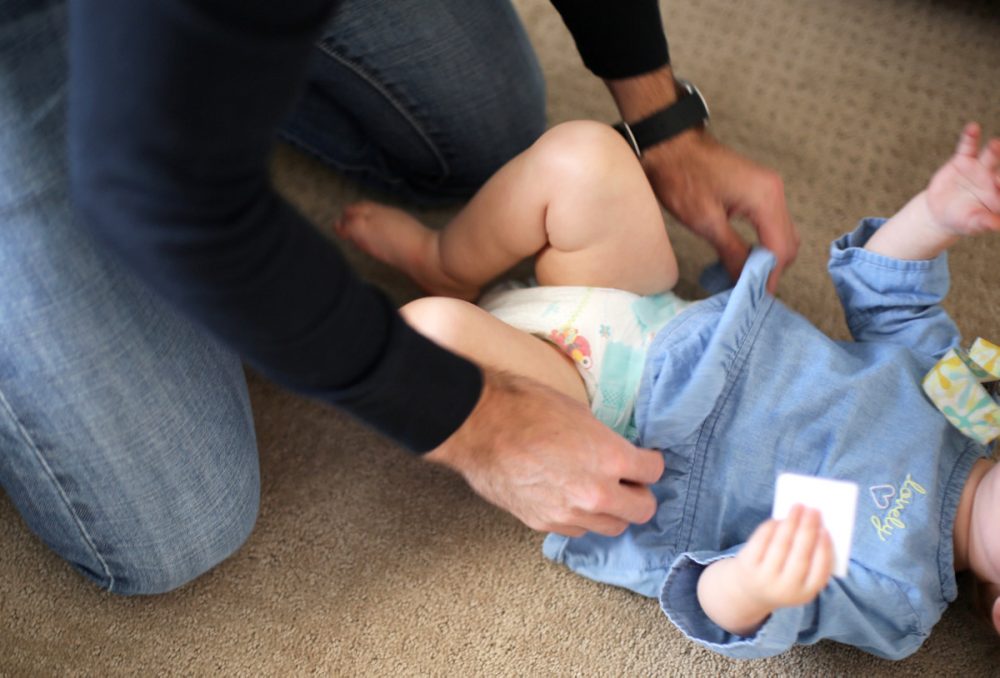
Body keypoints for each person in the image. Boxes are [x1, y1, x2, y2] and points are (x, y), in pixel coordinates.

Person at [0, 0, 795, 595]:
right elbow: (153, 193)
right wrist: (478, 424)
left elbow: (705, 592)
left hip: (600, 388)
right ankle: (438, 259)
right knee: (172, 524)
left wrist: (663, 122)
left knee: (572, 157)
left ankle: (447, 263)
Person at [333, 119, 1000, 659]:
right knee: (586, 157)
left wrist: (754, 584)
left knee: (427, 337)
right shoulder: (974, 409)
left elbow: (723, 609)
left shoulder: (900, 592)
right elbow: (891, 293)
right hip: (659, 314)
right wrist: (936, 215)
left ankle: (438, 304)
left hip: (605, 422)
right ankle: (446, 260)